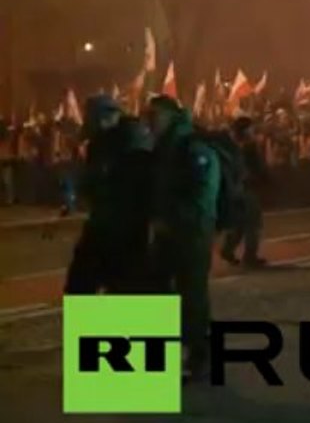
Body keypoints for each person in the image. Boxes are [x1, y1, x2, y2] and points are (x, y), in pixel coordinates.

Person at [147, 95, 221, 380]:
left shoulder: (193, 147)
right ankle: (167, 352)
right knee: (158, 287)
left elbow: (202, 194)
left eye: (154, 116)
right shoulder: (164, 148)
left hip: (193, 233)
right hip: (168, 232)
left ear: (169, 116)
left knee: (192, 294)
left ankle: (198, 355)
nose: (149, 123)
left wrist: (173, 219)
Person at [64, 95, 154, 294]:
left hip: (123, 232)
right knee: (84, 290)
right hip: (106, 226)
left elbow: (129, 187)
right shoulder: (105, 142)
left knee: (118, 291)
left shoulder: (131, 141)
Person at [222, 116, 267, 268]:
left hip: (234, 189)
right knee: (252, 223)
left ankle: (227, 249)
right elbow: (258, 168)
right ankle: (250, 256)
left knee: (239, 223)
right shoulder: (249, 147)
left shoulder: (231, 146)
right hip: (248, 188)